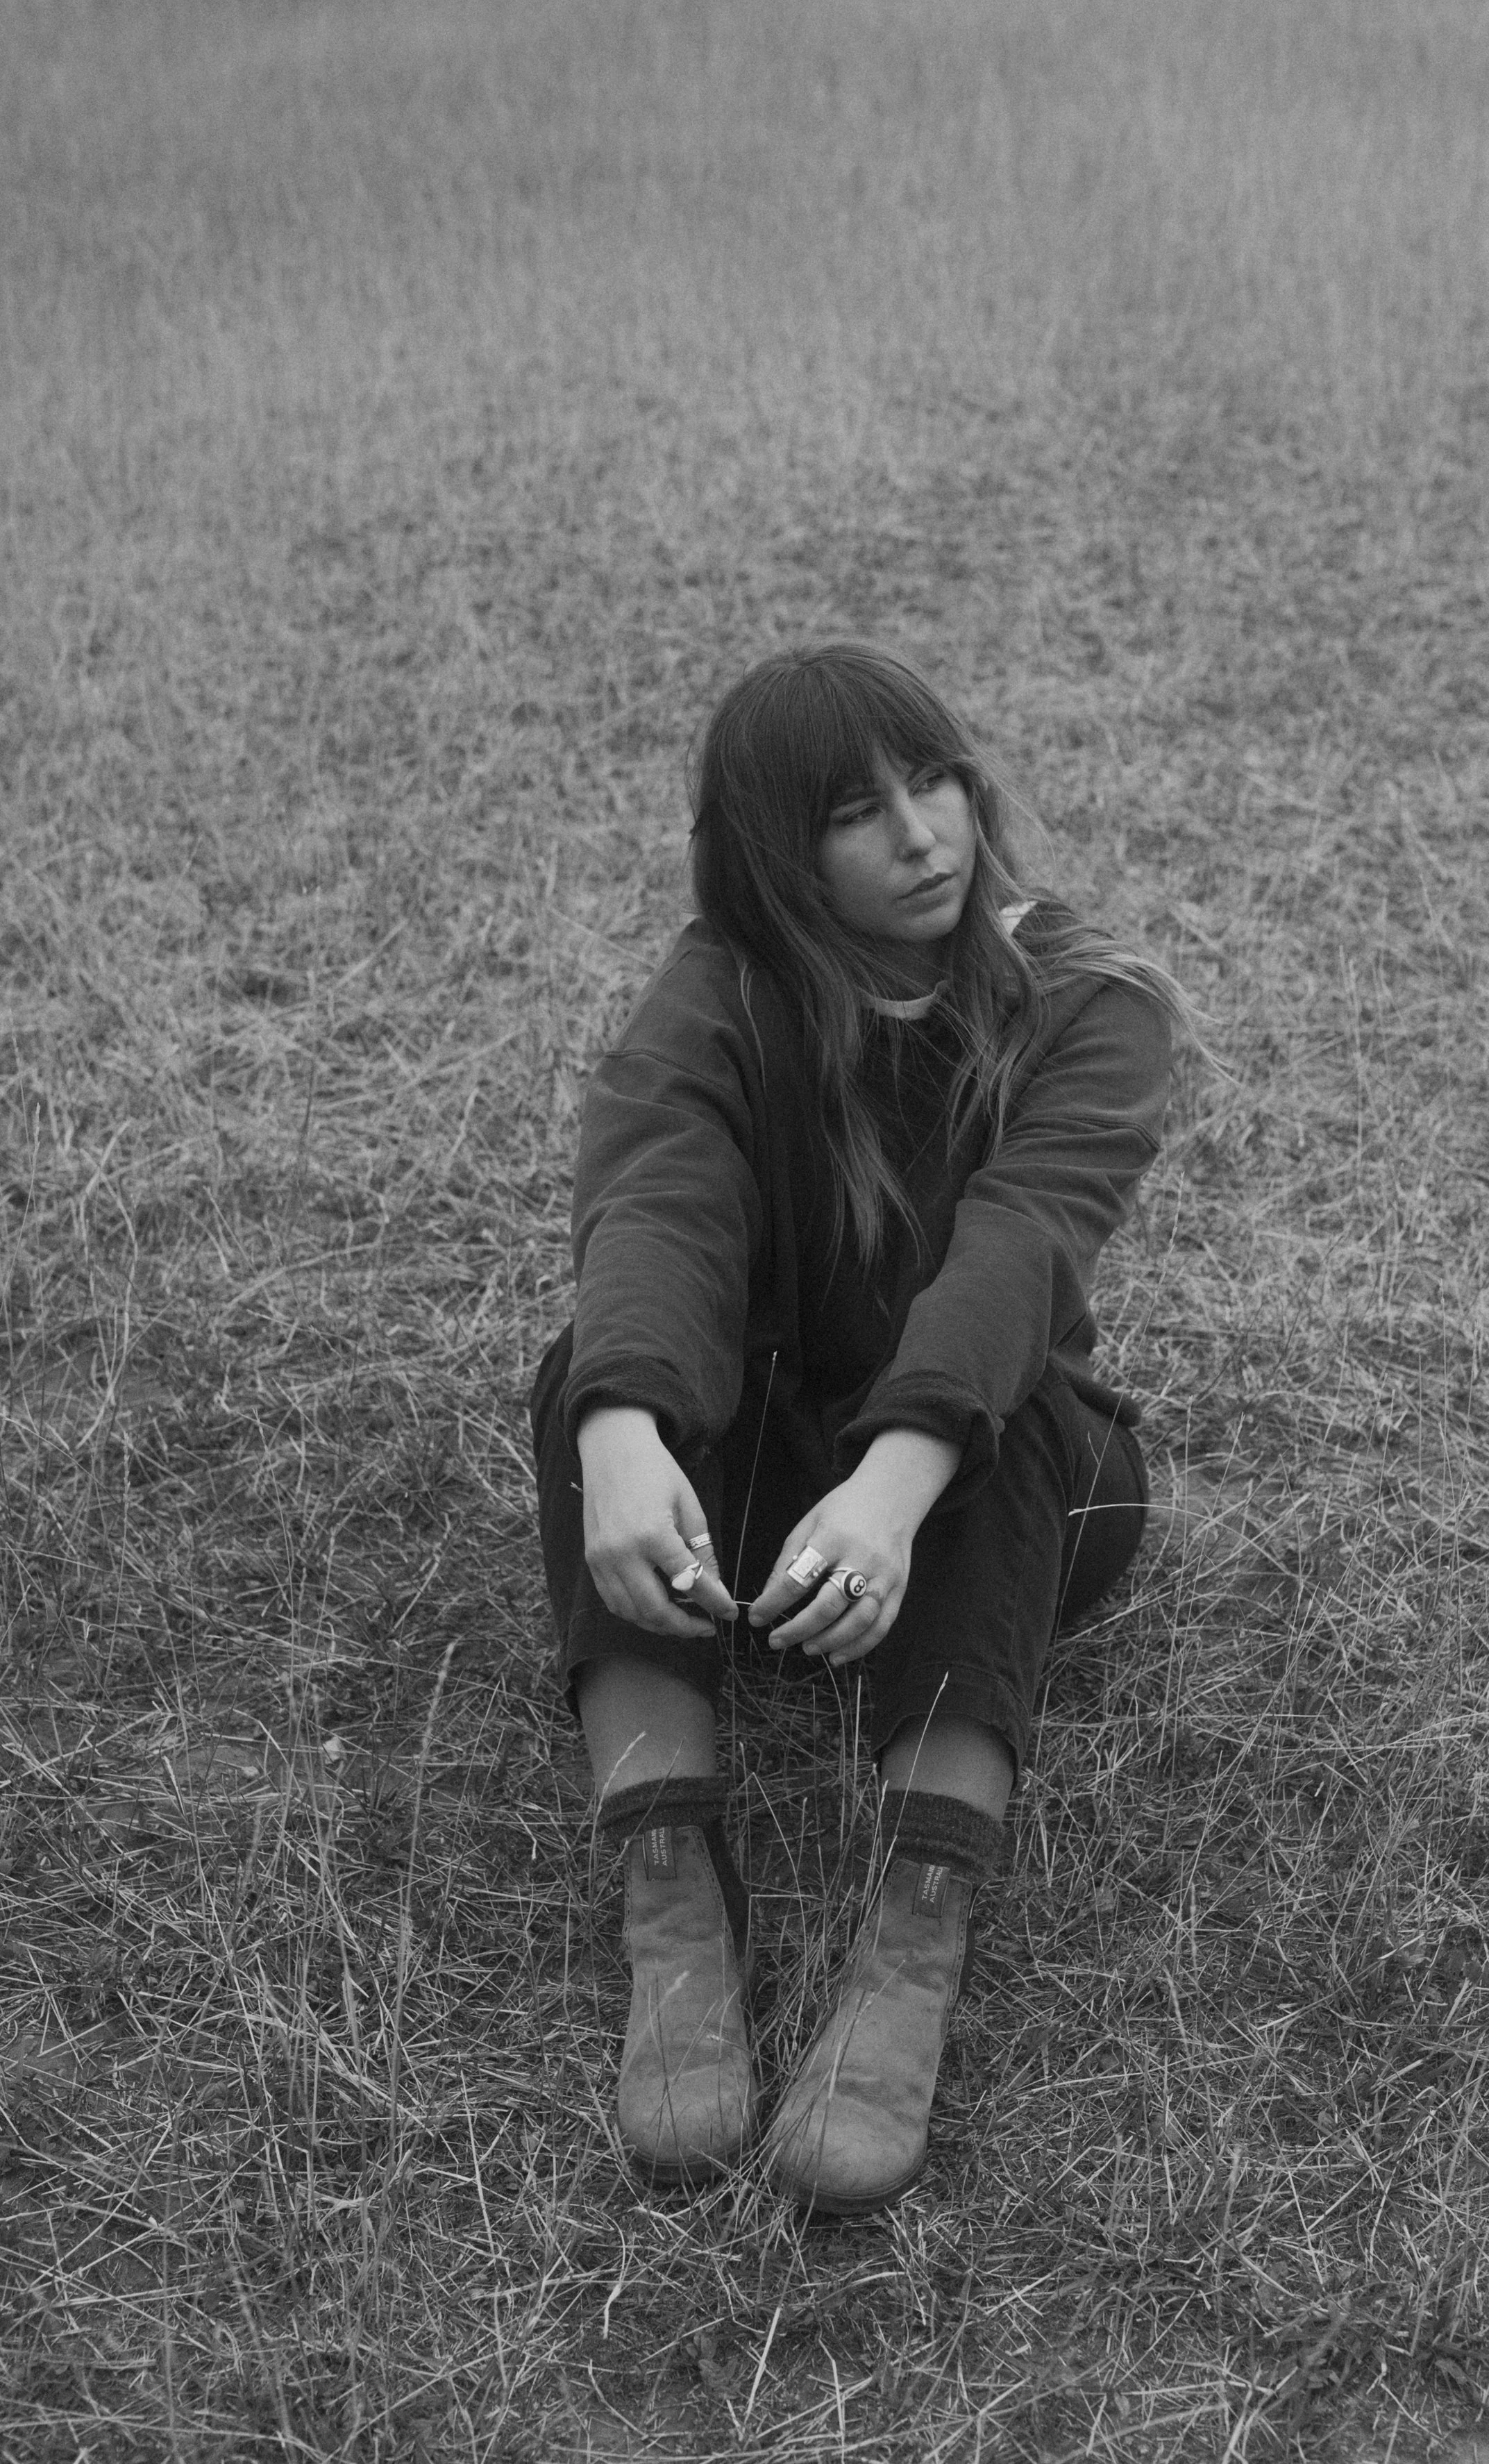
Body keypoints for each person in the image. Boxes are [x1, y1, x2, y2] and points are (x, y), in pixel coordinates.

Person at [530, 641, 1179, 2213]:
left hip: (1008, 1495)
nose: (921, 834)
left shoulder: (1087, 998)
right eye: (854, 812)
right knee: (584, 1373)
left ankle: (919, 1924)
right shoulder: (724, 995)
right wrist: (617, 1428)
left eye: (933, 779)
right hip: (764, 1512)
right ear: (772, 853)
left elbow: (1016, 1251)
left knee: (1010, 1408)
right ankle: (671, 1888)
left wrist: (890, 1489)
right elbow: (659, 1206)